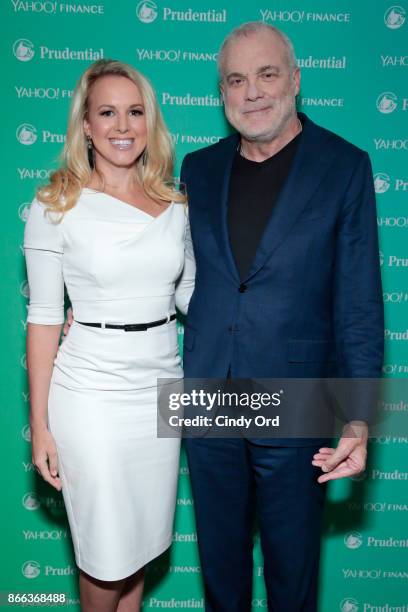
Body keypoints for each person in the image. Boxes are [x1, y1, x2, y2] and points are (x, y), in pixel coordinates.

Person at [180, 22, 383, 611]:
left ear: (295, 79)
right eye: (236, 80)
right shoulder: (198, 168)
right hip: (207, 392)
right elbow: (173, 273)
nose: (252, 92)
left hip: (298, 397)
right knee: (220, 573)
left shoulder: (344, 165)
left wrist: (358, 418)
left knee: (292, 579)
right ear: (222, 93)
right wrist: (88, 316)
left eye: (267, 74)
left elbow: (360, 304)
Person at [24, 59, 195, 612]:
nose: (123, 125)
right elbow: (46, 318)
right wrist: (41, 425)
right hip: (92, 394)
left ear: (150, 123)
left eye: (135, 111)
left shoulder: (177, 206)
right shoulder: (55, 207)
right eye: (108, 112)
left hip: (161, 390)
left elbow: (194, 297)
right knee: (104, 557)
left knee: (140, 549)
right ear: (88, 127)